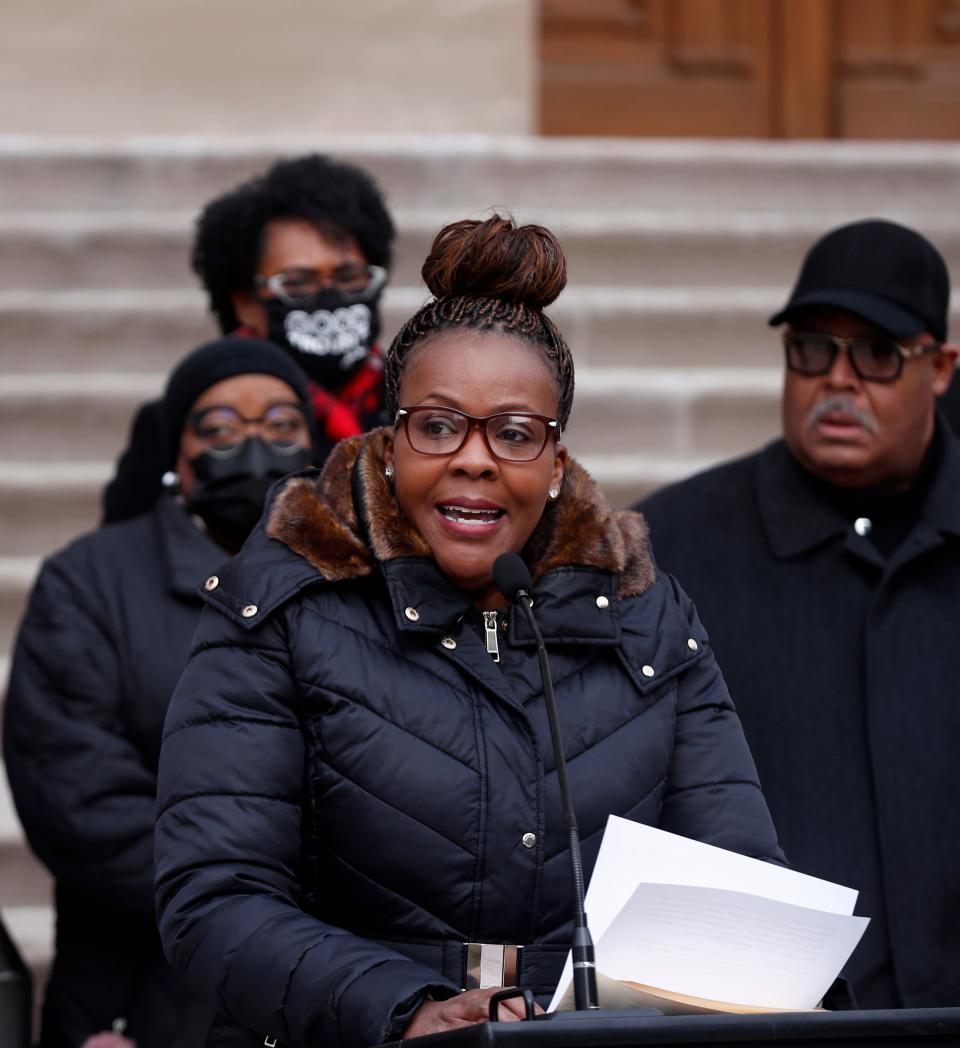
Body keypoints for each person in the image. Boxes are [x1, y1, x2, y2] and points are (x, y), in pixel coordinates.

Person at [154, 215, 784, 1048]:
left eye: (516, 433)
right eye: (439, 425)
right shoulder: (283, 606)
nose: (475, 459)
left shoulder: (647, 619)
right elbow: (215, 898)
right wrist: (405, 1007)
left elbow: (738, 894)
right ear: (388, 445)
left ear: (556, 464)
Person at [636, 218, 960, 1010]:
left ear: (942, 367)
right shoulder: (670, 547)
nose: (838, 381)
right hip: (770, 1020)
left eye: (878, 353)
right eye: (813, 348)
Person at [4, 337, 315, 1048]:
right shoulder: (89, 583)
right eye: (220, 431)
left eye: (280, 424)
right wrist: (266, 898)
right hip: (145, 997)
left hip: (326, 989)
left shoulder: (360, 578)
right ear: (178, 456)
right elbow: (78, 798)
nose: (255, 444)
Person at [103, 153, 395, 523]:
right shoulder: (185, 423)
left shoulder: (412, 407)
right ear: (245, 303)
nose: (329, 295)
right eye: (297, 283)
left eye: (349, 276)